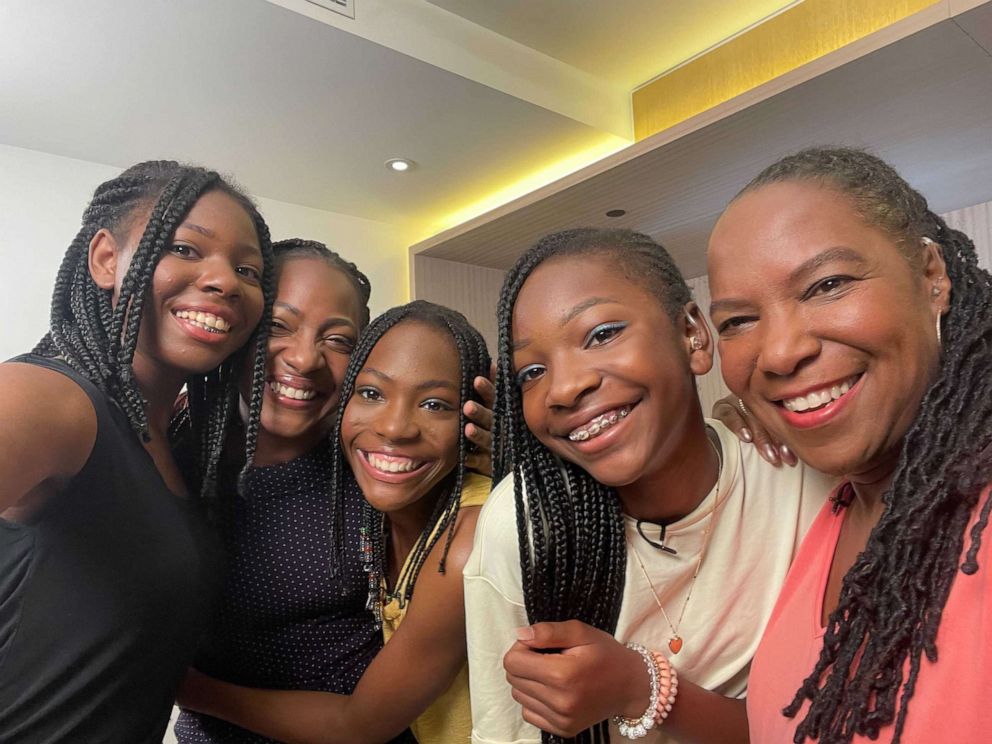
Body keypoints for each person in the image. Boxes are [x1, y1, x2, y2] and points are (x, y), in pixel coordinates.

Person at [467, 228, 834, 744]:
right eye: (532, 370)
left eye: (601, 334)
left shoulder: (798, 476)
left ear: (693, 335)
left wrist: (643, 687)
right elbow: (505, 734)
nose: (565, 387)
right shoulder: (526, 523)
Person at [707, 147, 992, 744]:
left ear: (932, 275)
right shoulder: (832, 511)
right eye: (737, 321)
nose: (780, 352)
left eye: (827, 285)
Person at [174, 244, 496, 743]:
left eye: (339, 339)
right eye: (278, 326)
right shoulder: (173, 445)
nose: (304, 358)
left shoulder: (378, 465)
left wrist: (508, 458)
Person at [0, 161, 274, 743]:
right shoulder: (50, 398)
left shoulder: (169, 439)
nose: (225, 280)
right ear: (105, 259)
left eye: (247, 269)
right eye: (185, 248)